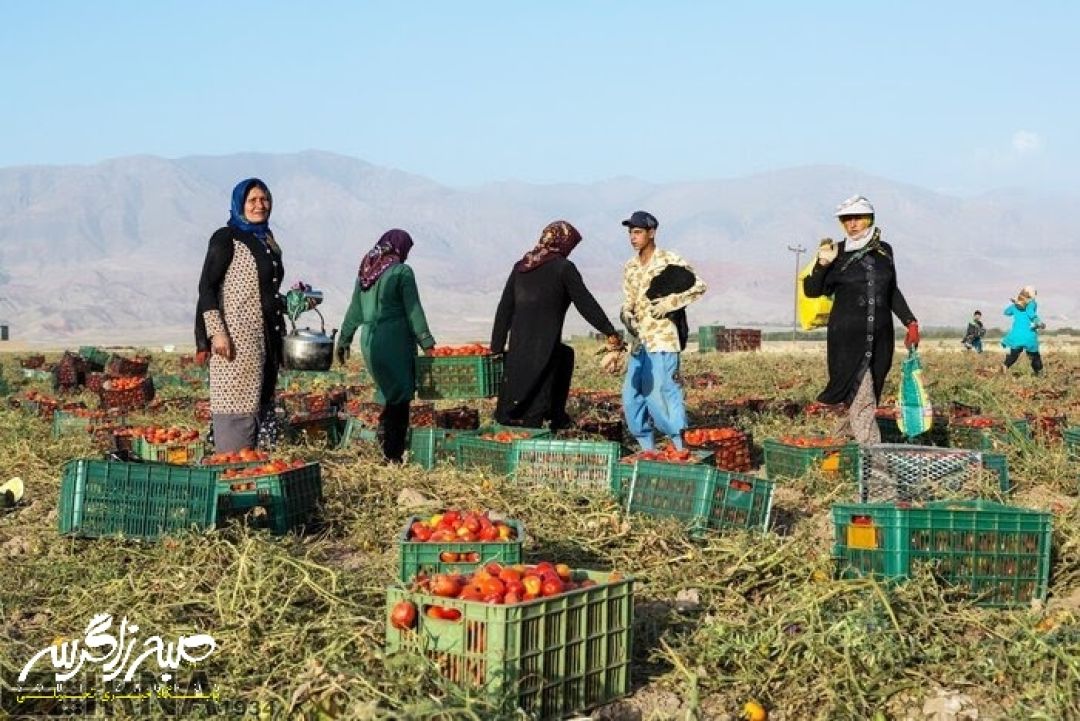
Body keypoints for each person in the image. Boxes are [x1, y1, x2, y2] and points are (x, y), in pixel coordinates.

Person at [803, 195, 919, 445]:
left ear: (870, 219)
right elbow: (811, 290)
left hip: (881, 339)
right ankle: (878, 475)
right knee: (863, 402)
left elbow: (891, 291)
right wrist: (823, 263)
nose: (852, 224)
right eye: (846, 219)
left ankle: (834, 454)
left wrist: (910, 321)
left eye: (857, 218)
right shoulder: (836, 252)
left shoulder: (884, 251)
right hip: (847, 341)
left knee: (864, 399)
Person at [491, 220, 623, 429]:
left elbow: (504, 308)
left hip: (518, 347)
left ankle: (555, 416)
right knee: (542, 386)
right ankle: (548, 421)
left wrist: (496, 347)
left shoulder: (521, 266)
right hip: (545, 347)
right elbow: (585, 302)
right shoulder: (563, 268)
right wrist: (609, 331)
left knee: (564, 356)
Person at [196, 178, 286, 453]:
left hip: (267, 340)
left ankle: (258, 474)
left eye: (264, 199)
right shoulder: (227, 238)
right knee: (236, 404)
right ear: (239, 204)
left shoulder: (267, 240)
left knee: (261, 402)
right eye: (252, 200)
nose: (260, 205)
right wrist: (216, 332)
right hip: (236, 339)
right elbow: (207, 286)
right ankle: (233, 470)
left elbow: (265, 290)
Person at [337, 229, 436, 462]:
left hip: (369, 342)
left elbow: (355, 311)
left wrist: (344, 339)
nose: (407, 256)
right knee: (400, 396)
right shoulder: (402, 272)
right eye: (407, 251)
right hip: (394, 340)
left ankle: (384, 448)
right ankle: (393, 455)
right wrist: (427, 343)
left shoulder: (366, 273)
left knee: (386, 392)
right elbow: (414, 310)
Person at [618, 211, 707, 450]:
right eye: (630, 233)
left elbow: (698, 286)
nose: (632, 238)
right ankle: (648, 449)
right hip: (638, 341)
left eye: (637, 232)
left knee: (664, 393)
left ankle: (680, 446)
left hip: (663, 339)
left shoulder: (669, 260)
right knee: (632, 396)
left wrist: (671, 303)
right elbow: (629, 299)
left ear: (651, 233)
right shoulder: (630, 267)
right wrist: (626, 313)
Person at [1000, 286, 1044, 375]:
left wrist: (1015, 303)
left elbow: (1006, 312)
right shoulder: (1032, 303)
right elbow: (1031, 314)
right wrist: (1038, 322)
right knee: (1034, 356)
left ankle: (1005, 365)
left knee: (1014, 354)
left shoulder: (1014, 306)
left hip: (1016, 336)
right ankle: (1039, 373)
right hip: (1029, 334)